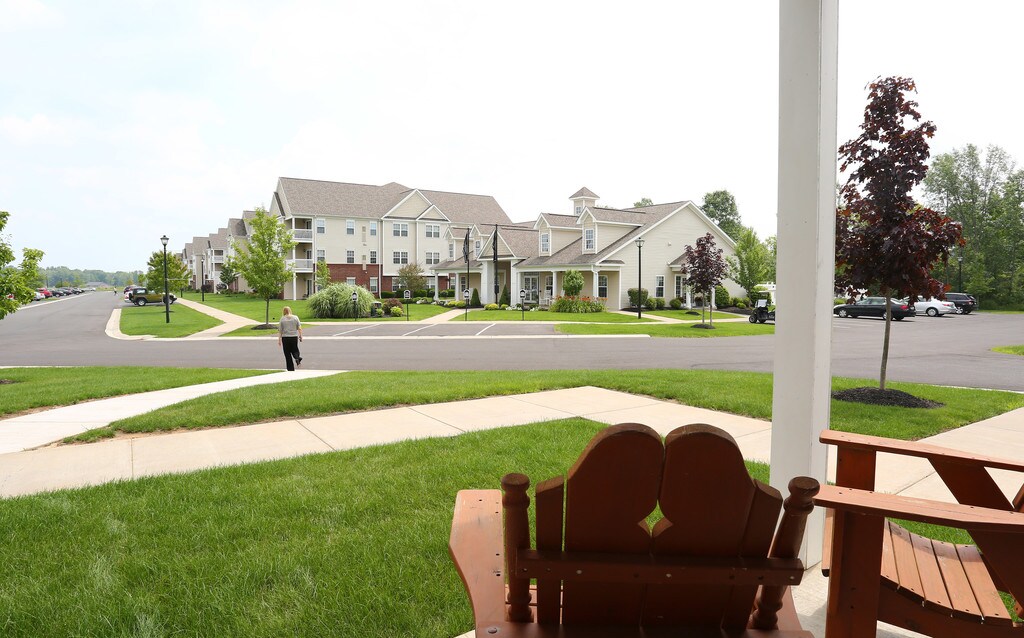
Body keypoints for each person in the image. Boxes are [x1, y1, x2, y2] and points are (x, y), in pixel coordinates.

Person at [278, 306, 303, 371]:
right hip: (294, 337)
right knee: (295, 349)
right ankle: (297, 358)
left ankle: (290, 368)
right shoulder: (295, 317)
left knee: (287, 353)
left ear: (284, 311)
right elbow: (299, 327)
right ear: (290, 310)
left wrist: (279, 340)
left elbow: (280, 330)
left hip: (285, 338)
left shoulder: (282, 319)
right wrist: (300, 335)